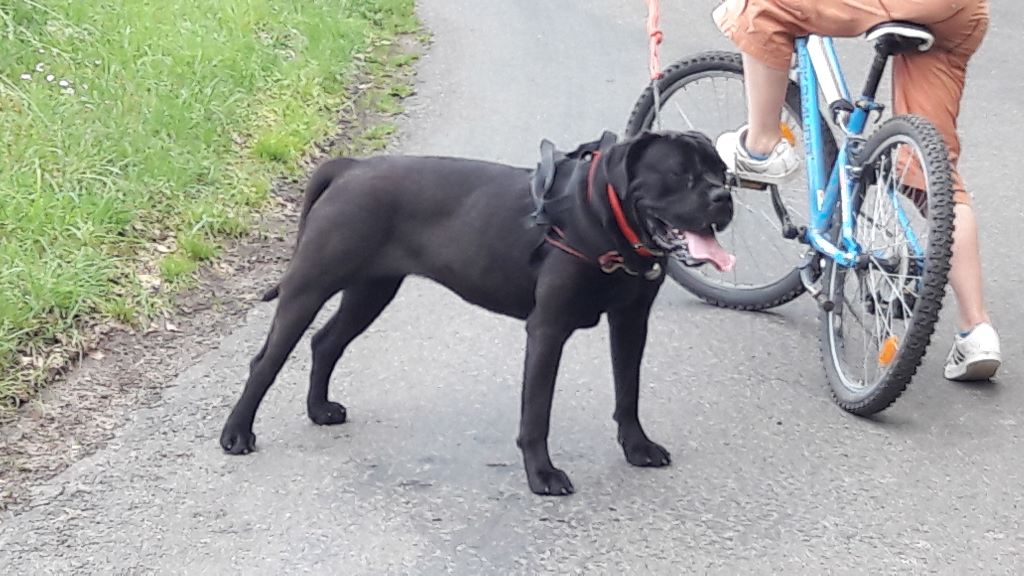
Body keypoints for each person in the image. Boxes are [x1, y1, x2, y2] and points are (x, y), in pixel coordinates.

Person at [710, 0, 1001, 381]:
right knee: (930, 175)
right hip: (961, 13)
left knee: (764, 8)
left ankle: (761, 146)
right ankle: (975, 331)